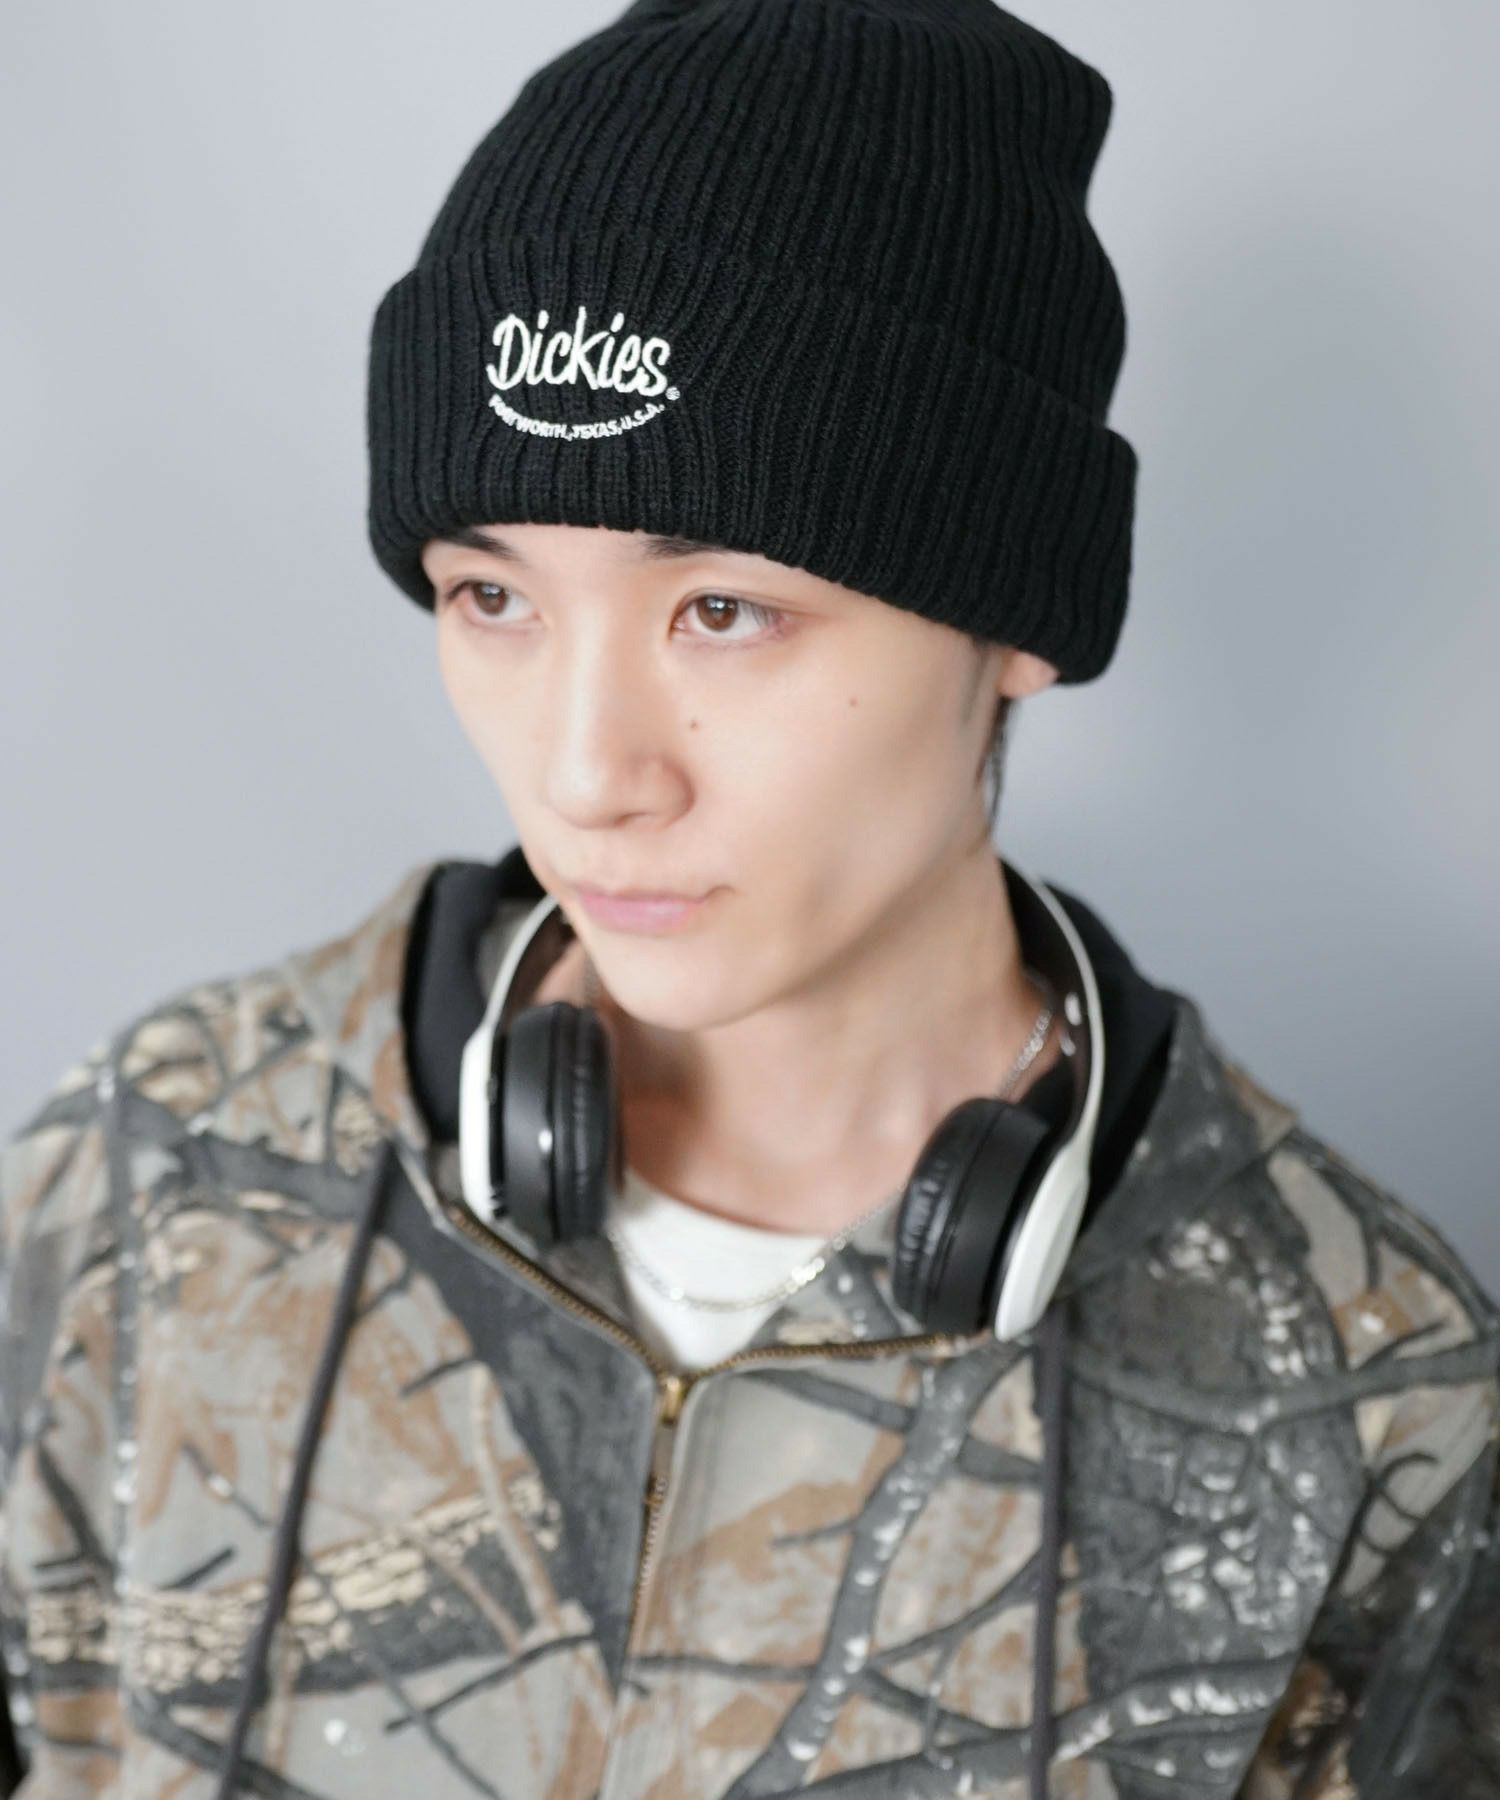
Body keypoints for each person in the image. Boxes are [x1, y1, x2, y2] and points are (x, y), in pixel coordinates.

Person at [3, 0, 1497, 1795]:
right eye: (493, 599)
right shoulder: (149, 1178)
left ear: (1016, 616)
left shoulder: (1380, 1396)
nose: (587, 772)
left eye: (724, 612)